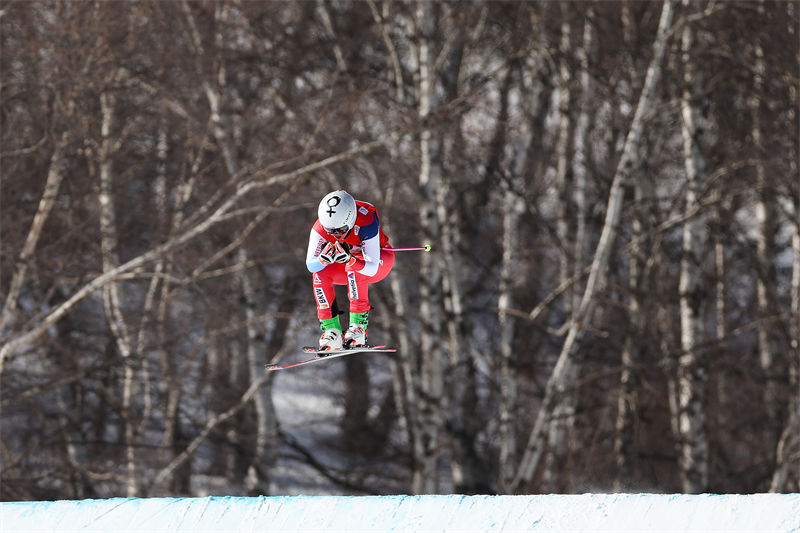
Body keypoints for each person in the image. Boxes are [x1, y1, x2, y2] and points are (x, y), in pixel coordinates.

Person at [305, 190, 394, 351]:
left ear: (351, 219)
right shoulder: (320, 227)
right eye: (331, 231)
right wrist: (322, 260)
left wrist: (351, 259)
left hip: (380, 261)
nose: (336, 235)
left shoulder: (366, 219)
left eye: (341, 230)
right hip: (349, 266)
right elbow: (310, 265)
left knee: (353, 267)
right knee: (320, 272)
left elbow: (372, 267)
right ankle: (332, 331)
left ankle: (358, 328)